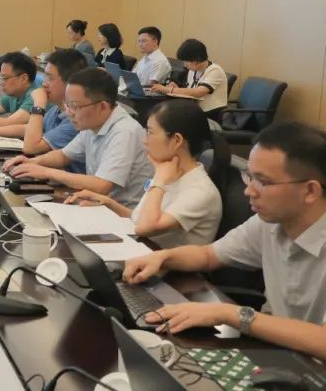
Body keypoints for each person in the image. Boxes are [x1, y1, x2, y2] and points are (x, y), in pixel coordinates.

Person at [121, 122, 326, 360]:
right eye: (249, 176)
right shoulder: (270, 223)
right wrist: (162, 257)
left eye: (263, 181)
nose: (249, 191)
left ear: (310, 191)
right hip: (280, 353)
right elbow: (209, 255)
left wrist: (228, 314)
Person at [66, 100, 226, 248]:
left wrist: (159, 181)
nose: (145, 140)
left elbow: (145, 228)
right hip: (144, 252)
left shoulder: (199, 191)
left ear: (177, 140)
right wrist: (109, 204)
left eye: (150, 132)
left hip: (167, 267)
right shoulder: (170, 172)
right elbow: (141, 218)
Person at [2, 68, 153, 207]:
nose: (69, 113)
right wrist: (31, 162)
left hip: (122, 215)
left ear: (102, 106)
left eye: (75, 106)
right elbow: (63, 155)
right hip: (96, 205)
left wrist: (46, 172)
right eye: (67, 105)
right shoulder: (93, 122)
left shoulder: (125, 132)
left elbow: (102, 185)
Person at [0, 49, 85, 173]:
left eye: (50, 78)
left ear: (71, 83)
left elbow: (31, 147)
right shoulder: (57, 108)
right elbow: (24, 128)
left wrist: (39, 104)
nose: (44, 84)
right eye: (45, 78)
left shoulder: (74, 120)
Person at [149, 38, 228, 122]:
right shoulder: (193, 70)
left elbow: (198, 92)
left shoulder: (215, 70)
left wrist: (168, 89)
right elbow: (190, 92)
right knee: (162, 112)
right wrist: (176, 89)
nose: (184, 65)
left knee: (167, 118)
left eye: (186, 61)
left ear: (196, 60)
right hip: (193, 110)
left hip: (210, 114)